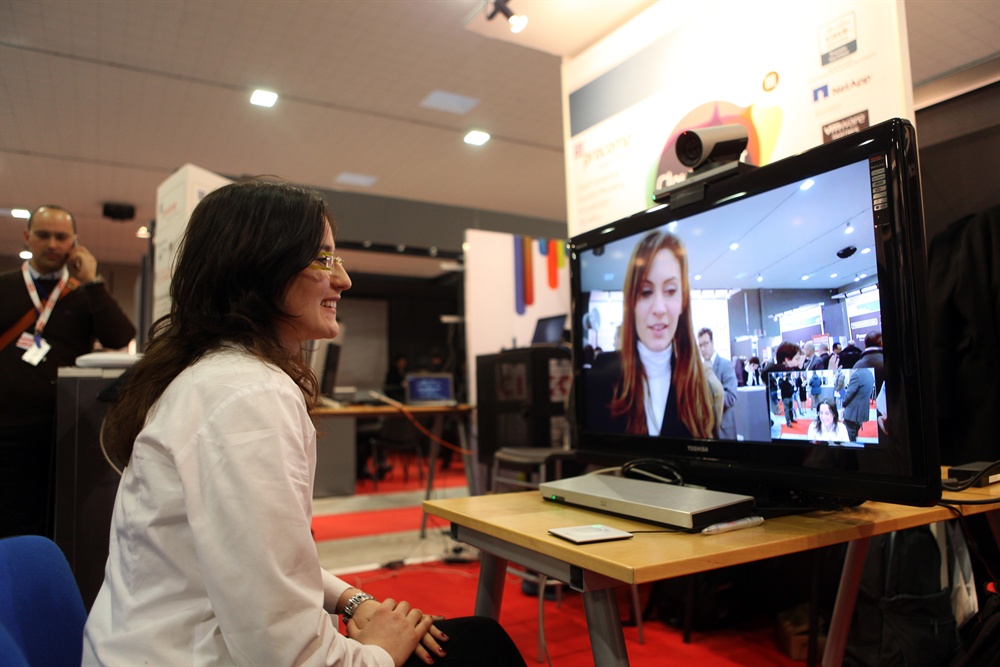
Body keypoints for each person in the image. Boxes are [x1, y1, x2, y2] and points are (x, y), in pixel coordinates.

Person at [82, 180, 524, 667]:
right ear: (259, 268)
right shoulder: (249, 394)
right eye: (322, 259)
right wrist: (378, 653)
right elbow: (284, 651)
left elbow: (260, 566)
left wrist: (351, 601)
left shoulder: (216, 376)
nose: (343, 280)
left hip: (151, 647)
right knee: (482, 646)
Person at [0, 205, 136, 538]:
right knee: (10, 520)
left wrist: (93, 282)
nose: (52, 244)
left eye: (61, 237)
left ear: (74, 242)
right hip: (8, 428)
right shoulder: (5, 286)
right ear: (27, 236)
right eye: (43, 235)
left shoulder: (84, 293)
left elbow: (120, 337)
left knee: (60, 520)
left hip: (64, 428)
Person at [585, 229, 717, 438]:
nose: (659, 308)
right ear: (632, 303)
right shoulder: (598, 385)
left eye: (670, 290)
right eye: (646, 292)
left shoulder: (699, 389)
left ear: (683, 301)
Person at [697, 327, 738, 439]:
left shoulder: (725, 365)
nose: (703, 349)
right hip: (706, 430)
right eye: (700, 345)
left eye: (706, 344)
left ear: (713, 343)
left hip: (723, 430)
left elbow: (732, 397)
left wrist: (710, 400)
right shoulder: (700, 369)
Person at [841, 367, 875, 442]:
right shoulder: (869, 373)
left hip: (853, 411)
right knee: (855, 431)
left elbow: (849, 393)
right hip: (862, 411)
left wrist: (843, 404)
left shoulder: (857, 375)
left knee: (849, 434)